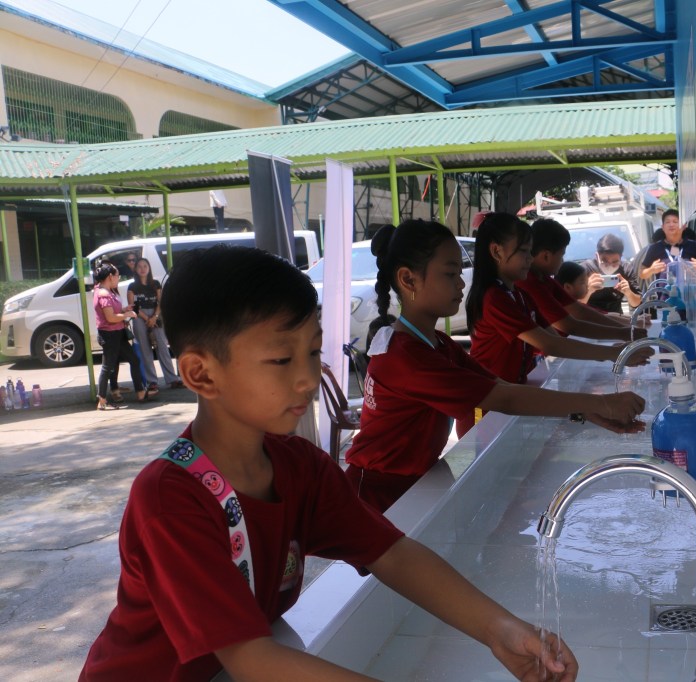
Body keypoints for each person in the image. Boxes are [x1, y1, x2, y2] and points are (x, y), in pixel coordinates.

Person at [80, 245, 580, 682]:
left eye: (313, 350)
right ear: (200, 373)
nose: (306, 377)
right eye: (281, 359)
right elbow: (253, 660)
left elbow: (392, 554)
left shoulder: (300, 466)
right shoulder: (171, 499)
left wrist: (499, 629)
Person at [346, 219, 644, 513]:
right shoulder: (408, 355)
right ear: (409, 280)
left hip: (408, 486)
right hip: (377, 498)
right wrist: (603, 402)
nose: (462, 283)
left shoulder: (436, 342)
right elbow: (505, 397)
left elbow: (499, 385)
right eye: (451, 274)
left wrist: (587, 410)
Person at [467, 213, 649, 387]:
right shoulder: (494, 297)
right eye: (524, 251)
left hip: (512, 389)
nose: (530, 259)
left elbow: (557, 336)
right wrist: (614, 350)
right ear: (496, 252)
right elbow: (552, 342)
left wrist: (617, 342)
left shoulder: (519, 294)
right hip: (485, 402)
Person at [515, 218, 639, 340]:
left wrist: (628, 327)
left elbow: (580, 310)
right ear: (546, 256)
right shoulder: (531, 283)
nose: (563, 261)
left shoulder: (545, 280)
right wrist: (623, 333)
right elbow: (570, 325)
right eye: (562, 255)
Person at [92, 261, 150, 410]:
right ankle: (102, 400)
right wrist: (127, 314)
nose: (119, 278)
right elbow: (110, 318)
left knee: (133, 360)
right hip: (110, 335)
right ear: (110, 277)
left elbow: (112, 314)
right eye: (117, 275)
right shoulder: (104, 293)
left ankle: (140, 392)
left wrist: (124, 310)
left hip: (117, 333)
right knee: (108, 367)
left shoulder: (106, 291)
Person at [127, 257, 184, 390]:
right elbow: (132, 306)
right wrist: (147, 318)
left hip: (156, 314)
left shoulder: (156, 284)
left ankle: (172, 379)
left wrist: (155, 317)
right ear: (135, 269)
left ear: (149, 268)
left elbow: (160, 302)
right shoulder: (132, 286)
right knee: (145, 349)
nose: (142, 269)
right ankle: (152, 381)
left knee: (162, 346)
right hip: (139, 316)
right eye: (139, 266)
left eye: (145, 266)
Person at [637, 209, 696, 282]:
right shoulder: (654, 248)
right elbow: (641, 274)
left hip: (690, 293)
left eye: (675, 222)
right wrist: (651, 270)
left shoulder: (695, 247)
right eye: (667, 222)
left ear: (684, 226)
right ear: (663, 227)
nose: (671, 225)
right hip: (663, 292)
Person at [581, 233, 642, 313]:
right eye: (604, 261)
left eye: (615, 262)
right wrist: (589, 291)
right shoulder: (585, 269)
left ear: (621, 257)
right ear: (597, 256)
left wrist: (628, 293)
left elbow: (636, 303)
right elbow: (575, 306)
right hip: (590, 319)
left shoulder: (626, 269)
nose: (610, 266)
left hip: (616, 319)